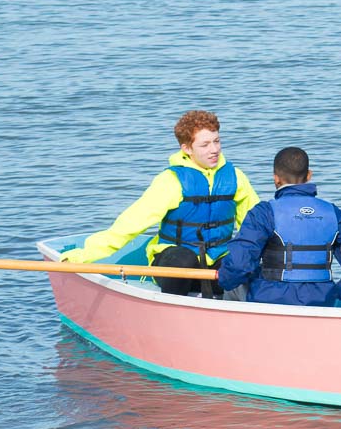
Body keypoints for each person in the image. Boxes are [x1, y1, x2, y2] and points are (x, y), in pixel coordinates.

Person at [61, 110, 260, 296]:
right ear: (187, 148)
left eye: (217, 141)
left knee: (246, 264)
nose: (214, 149)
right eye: (205, 144)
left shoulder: (235, 177)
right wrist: (82, 256)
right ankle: (173, 310)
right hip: (173, 263)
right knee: (184, 260)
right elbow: (129, 225)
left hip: (215, 263)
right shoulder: (171, 181)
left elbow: (256, 224)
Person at [216, 147, 341, 307]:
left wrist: (225, 279)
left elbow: (238, 264)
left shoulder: (264, 213)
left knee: (234, 284)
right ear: (309, 175)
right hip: (322, 300)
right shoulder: (333, 213)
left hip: (270, 300)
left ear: (276, 179)